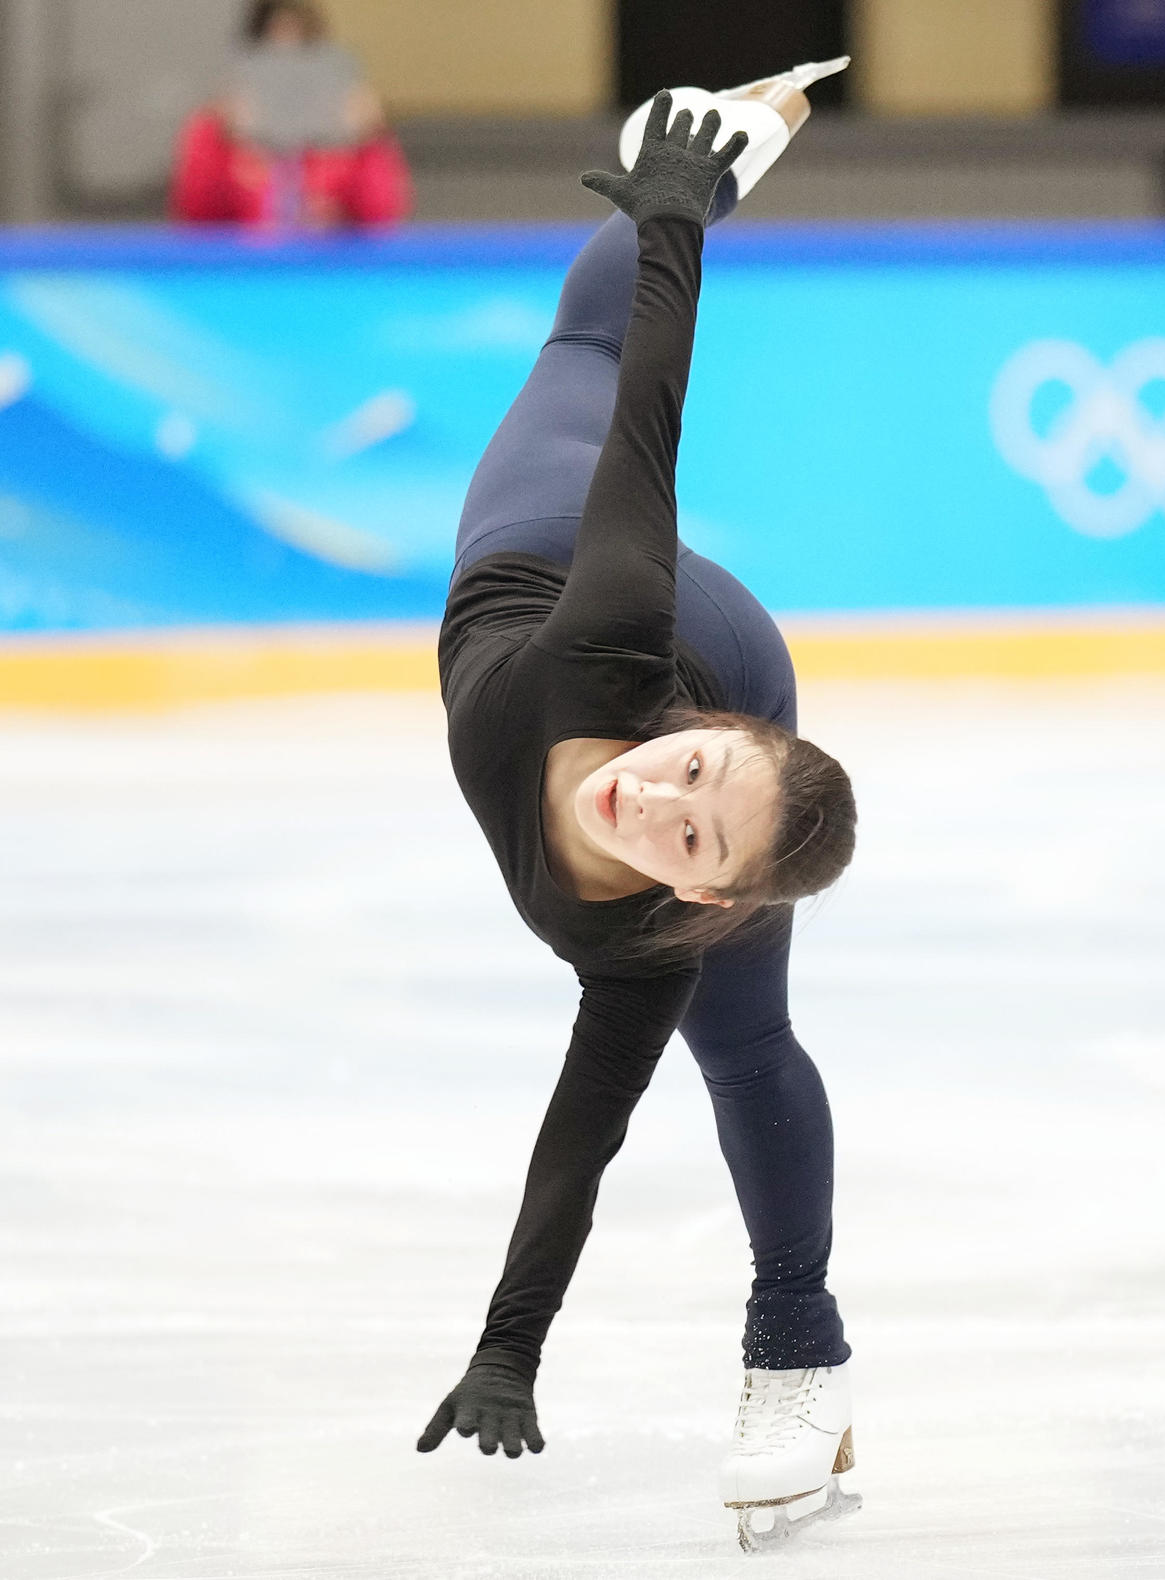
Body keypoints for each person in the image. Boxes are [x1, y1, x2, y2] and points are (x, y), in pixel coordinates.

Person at [417, 61, 859, 1553]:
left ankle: (797, 1353)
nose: (646, 792)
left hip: (734, 679)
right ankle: (730, 127)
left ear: (699, 898)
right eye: (685, 774)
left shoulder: (643, 948)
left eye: (685, 834)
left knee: (742, 1045)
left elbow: (577, 1143)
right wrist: (681, 210)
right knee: (593, 319)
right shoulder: (619, 653)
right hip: (577, 553)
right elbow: (647, 420)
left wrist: (508, 1348)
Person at [170, 0, 410, 229]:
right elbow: (196, 218)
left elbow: (382, 217)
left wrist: (369, 139)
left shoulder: (349, 130)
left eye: (302, 49)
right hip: (246, 267)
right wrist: (221, 139)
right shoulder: (215, 128)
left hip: (324, 267)